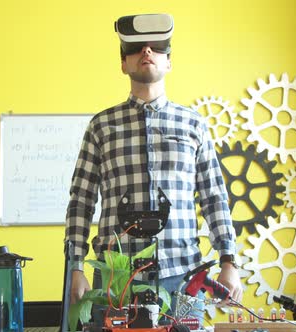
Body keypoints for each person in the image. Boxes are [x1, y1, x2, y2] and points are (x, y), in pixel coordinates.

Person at [64, 13, 243, 314]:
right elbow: (81, 201)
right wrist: (76, 267)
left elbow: (214, 197)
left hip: (184, 275)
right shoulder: (101, 126)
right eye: (135, 48)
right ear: (123, 64)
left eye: (157, 47)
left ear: (169, 62)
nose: (146, 51)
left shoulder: (194, 125)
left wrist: (229, 260)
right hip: (115, 276)